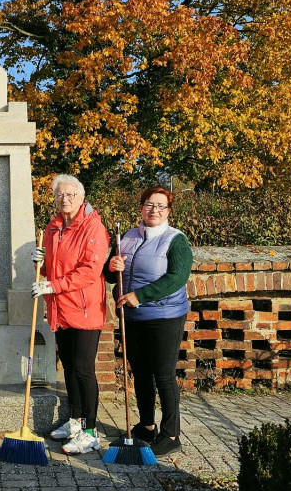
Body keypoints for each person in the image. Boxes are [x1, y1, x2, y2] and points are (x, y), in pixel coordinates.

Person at [106, 186, 192, 456]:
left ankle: (171, 434)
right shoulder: (128, 237)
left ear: (168, 211)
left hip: (164, 316)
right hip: (133, 316)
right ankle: (145, 426)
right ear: (141, 207)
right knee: (140, 372)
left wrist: (140, 296)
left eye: (160, 206)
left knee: (163, 375)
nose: (154, 210)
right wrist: (112, 266)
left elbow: (177, 278)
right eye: (149, 204)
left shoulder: (176, 240)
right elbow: (110, 274)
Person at [32, 174, 109, 455]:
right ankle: (76, 421)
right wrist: (41, 261)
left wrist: (54, 285)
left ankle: (90, 432)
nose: (64, 199)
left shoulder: (93, 228)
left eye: (70, 195)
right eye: (59, 195)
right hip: (60, 310)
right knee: (70, 370)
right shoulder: (53, 229)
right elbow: (54, 267)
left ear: (81, 197)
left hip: (85, 309)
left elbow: (89, 271)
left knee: (84, 370)